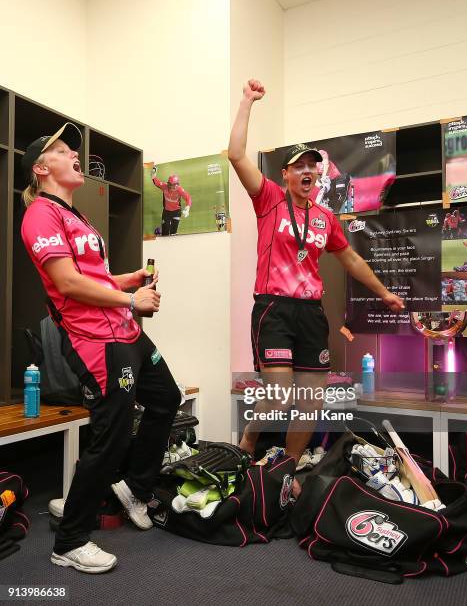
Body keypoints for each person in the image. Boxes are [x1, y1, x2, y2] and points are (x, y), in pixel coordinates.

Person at [20, 123, 181, 573]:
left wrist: (123, 280)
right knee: (110, 434)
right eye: (62, 149)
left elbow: (89, 277)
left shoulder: (77, 215)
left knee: (166, 397)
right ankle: (70, 539)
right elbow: (67, 283)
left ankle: (132, 486)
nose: (75, 153)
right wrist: (132, 298)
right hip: (94, 339)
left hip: (124, 330)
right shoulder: (40, 215)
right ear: (41, 167)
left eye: (74, 148)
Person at [228, 79, 404, 486]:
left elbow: (352, 259)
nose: (307, 171)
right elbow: (236, 154)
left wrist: (384, 293)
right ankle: (248, 444)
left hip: (310, 313)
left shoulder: (326, 218)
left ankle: (287, 473)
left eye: (313, 165)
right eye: (299, 166)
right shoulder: (269, 198)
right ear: (286, 173)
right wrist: (247, 102)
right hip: (273, 309)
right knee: (277, 397)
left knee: (309, 402)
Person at [151, 168, 192, 236]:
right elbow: (156, 182)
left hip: (176, 212)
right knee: (165, 233)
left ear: (176, 185)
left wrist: (187, 208)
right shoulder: (165, 186)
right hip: (166, 212)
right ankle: (160, 232)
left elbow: (188, 198)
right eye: (169, 184)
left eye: (172, 185)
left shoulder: (180, 190)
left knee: (173, 233)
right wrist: (153, 174)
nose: (170, 186)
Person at [313, 149, 353, 213]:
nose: (321, 166)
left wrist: (324, 177)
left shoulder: (323, 156)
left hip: (337, 184)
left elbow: (326, 164)